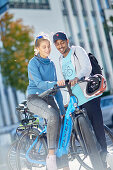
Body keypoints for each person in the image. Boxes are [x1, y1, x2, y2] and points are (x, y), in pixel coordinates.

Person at [53, 31, 109, 169]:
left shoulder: (77, 50)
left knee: (97, 128)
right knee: (84, 133)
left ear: (67, 41)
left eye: (62, 42)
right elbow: (67, 83)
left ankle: (104, 159)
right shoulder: (60, 60)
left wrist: (77, 77)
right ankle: (96, 161)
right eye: (57, 44)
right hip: (76, 100)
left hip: (89, 95)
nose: (60, 46)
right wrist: (67, 100)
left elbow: (87, 67)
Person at [27, 33, 70, 170]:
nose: (47, 49)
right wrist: (55, 83)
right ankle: (51, 157)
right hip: (35, 97)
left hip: (49, 96)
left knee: (63, 121)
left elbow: (55, 88)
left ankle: (64, 164)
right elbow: (39, 84)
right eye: (44, 47)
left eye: (48, 46)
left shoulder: (51, 64)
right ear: (38, 49)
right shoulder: (33, 63)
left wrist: (63, 110)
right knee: (52, 115)